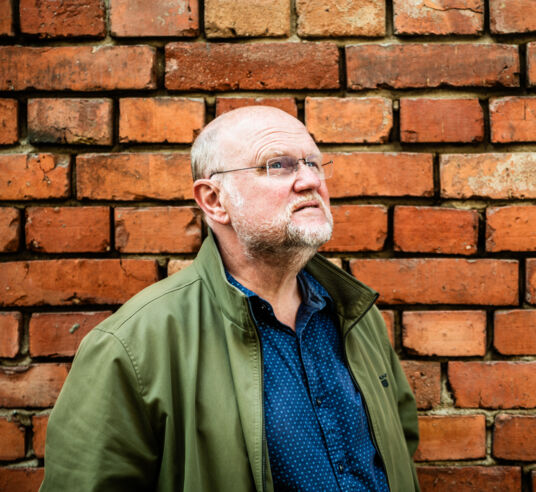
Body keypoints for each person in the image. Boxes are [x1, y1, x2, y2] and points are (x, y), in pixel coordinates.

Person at [40, 106, 420, 492]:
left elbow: (399, 447)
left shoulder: (355, 314)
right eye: (278, 165)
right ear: (213, 200)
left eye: (314, 163)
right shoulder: (132, 347)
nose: (309, 181)